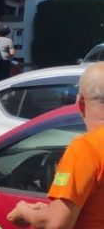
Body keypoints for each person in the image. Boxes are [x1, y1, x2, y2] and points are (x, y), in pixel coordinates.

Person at [7, 63, 104, 228]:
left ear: (80, 102)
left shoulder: (86, 148)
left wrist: (26, 213)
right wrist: (49, 211)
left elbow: (56, 224)